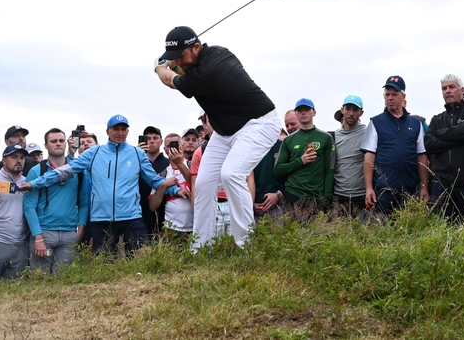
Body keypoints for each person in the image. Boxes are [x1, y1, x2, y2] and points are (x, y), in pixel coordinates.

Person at [154, 26, 281, 250]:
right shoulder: (212, 55)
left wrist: (159, 66)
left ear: (196, 47)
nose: (179, 62)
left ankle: (246, 246)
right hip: (226, 131)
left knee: (232, 174)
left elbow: (169, 80)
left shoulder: (207, 71)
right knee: (202, 184)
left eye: (181, 56)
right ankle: (201, 247)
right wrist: (174, 61)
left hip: (259, 123)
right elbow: (182, 69)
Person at [20, 115, 180, 255]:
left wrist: (175, 189)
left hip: (131, 216)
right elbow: (65, 171)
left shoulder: (137, 153)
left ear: (128, 132)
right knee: (104, 264)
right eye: (116, 129)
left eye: (123, 129)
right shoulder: (94, 152)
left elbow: (154, 179)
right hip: (102, 219)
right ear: (107, 131)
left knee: (143, 257)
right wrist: (34, 184)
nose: (120, 133)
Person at [24, 129, 89, 273]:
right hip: (44, 233)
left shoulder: (78, 170)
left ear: (66, 143)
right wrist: (38, 238)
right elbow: (29, 207)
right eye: (53, 141)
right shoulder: (37, 171)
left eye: (61, 141)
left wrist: (80, 231)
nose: (58, 144)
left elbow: (84, 203)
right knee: (39, 280)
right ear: (46, 145)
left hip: (69, 234)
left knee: (63, 283)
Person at [362, 76, 428, 215]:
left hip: (410, 191)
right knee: (383, 231)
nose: (390, 98)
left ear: (403, 96)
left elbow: (421, 156)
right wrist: (369, 188)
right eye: (387, 94)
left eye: (394, 94)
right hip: (384, 191)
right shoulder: (376, 122)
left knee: (411, 231)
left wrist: (424, 187)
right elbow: (369, 156)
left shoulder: (416, 124)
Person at [425, 74, 464, 220]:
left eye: (452, 87)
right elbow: (428, 144)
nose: (447, 91)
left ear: (461, 90)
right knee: (441, 230)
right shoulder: (437, 119)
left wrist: (440, 134)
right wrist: (459, 140)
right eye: (444, 88)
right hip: (441, 185)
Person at [274, 98, 334, 213]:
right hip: (292, 195)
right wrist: (300, 161)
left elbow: (330, 169)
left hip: (317, 197)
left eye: (307, 109)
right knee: (292, 231)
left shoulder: (326, 137)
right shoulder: (288, 140)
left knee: (318, 231)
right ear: (296, 114)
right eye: (300, 110)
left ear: (314, 112)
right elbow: (278, 169)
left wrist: (326, 198)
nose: (303, 112)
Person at [0, 144, 29, 280]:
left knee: (14, 292)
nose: (19, 160)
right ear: (4, 160)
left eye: (22, 157)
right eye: (14, 157)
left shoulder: (28, 182)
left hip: (20, 244)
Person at [332, 95, 368, 217]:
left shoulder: (368, 133)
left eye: (355, 110)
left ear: (361, 113)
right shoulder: (334, 136)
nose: (351, 113)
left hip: (361, 195)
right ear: (342, 110)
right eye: (348, 109)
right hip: (338, 195)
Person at [137, 126, 170, 234]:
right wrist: (136, 156)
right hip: (138, 217)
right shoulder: (135, 162)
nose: (151, 141)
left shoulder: (169, 163)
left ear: (161, 141)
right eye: (148, 138)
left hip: (164, 219)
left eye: (155, 138)